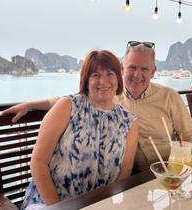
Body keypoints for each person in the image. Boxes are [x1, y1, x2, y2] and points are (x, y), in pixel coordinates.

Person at [3, 41, 192, 171]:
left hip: (167, 171)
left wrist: (177, 164)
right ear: (123, 68)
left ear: (153, 71)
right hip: (130, 179)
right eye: (132, 67)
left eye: (144, 69)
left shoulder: (169, 97)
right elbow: (73, 101)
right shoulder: (110, 95)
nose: (137, 75)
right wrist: (31, 104)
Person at [20, 49, 138, 209]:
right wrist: (58, 208)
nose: (103, 81)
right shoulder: (67, 107)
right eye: (95, 75)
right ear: (86, 80)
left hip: (99, 205)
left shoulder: (128, 121)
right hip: (49, 203)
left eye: (110, 74)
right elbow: (38, 162)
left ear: (118, 78)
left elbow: (125, 171)